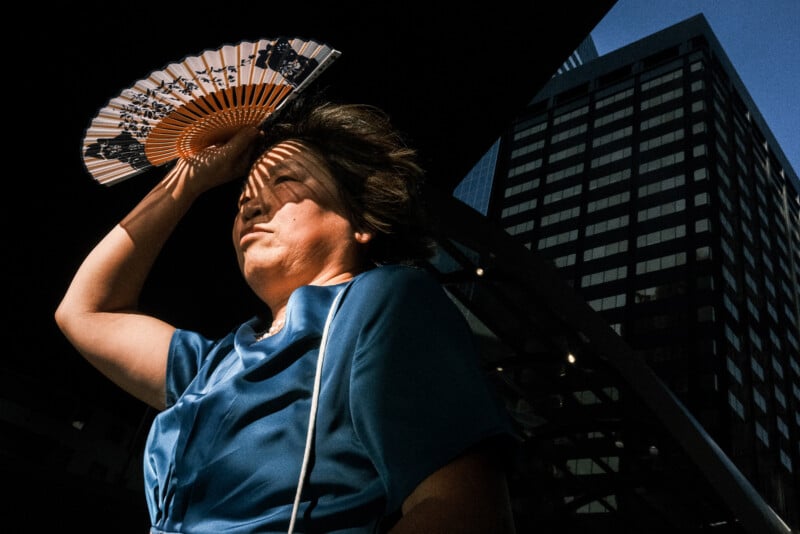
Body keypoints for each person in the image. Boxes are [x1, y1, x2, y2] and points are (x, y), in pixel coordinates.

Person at [56, 93, 518, 533]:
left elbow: (463, 509)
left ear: (360, 221)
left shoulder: (382, 301)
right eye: (242, 201)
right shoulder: (215, 364)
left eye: (285, 180)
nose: (252, 203)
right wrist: (189, 180)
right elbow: (85, 311)